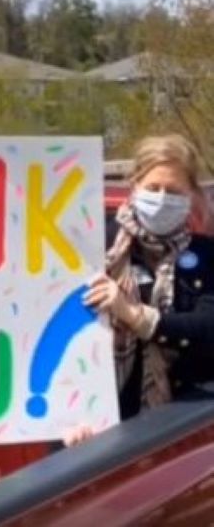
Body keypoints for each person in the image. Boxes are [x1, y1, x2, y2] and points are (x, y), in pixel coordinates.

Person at [69, 134, 214, 445]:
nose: (162, 199)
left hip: (183, 429)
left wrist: (136, 316)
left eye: (173, 191)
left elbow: (207, 327)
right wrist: (66, 417)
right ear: (134, 186)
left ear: (190, 194)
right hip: (103, 431)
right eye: (153, 188)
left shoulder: (206, 255)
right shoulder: (95, 247)